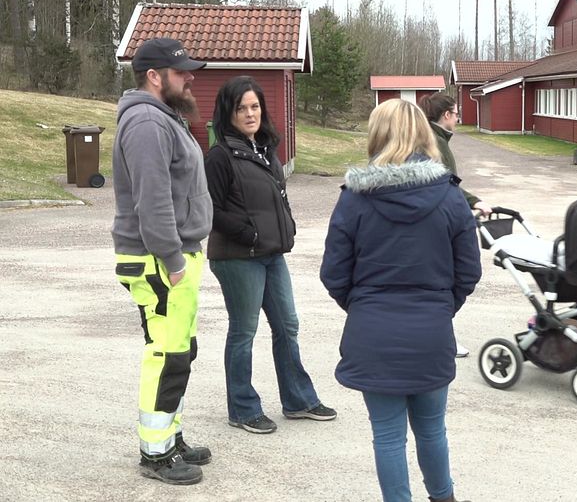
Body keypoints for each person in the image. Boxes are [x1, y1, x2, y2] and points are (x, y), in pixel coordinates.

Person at [320, 98, 481, 502]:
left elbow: (334, 274)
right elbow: (469, 271)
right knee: (432, 429)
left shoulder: (354, 199)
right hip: (431, 331)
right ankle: (443, 497)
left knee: (388, 436)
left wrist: (364, 308)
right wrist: (441, 307)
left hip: (373, 331)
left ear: (378, 136)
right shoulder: (449, 197)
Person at [204, 76, 337, 435]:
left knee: (287, 325)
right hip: (237, 257)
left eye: (255, 107)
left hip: (271, 254)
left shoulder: (265, 150)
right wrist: (248, 232)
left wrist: (286, 227)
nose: (250, 114)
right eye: (241, 108)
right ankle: (243, 409)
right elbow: (209, 209)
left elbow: (278, 198)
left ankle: (298, 401)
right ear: (228, 113)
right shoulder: (220, 156)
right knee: (244, 331)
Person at [112, 37, 213, 485]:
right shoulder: (147, 124)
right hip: (160, 261)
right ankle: (155, 454)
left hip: (174, 257)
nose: (190, 77)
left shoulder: (164, 119)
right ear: (155, 76)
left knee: (181, 351)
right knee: (168, 354)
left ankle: (169, 436)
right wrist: (172, 260)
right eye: (182, 71)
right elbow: (151, 203)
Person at [417, 92, 490, 358]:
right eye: (456, 113)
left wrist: (471, 200)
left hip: (434, 220)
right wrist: (472, 202)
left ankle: (440, 334)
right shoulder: (435, 143)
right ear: (446, 115)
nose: (458, 118)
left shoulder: (434, 138)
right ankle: (441, 337)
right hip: (438, 224)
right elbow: (445, 184)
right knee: (445, 281)